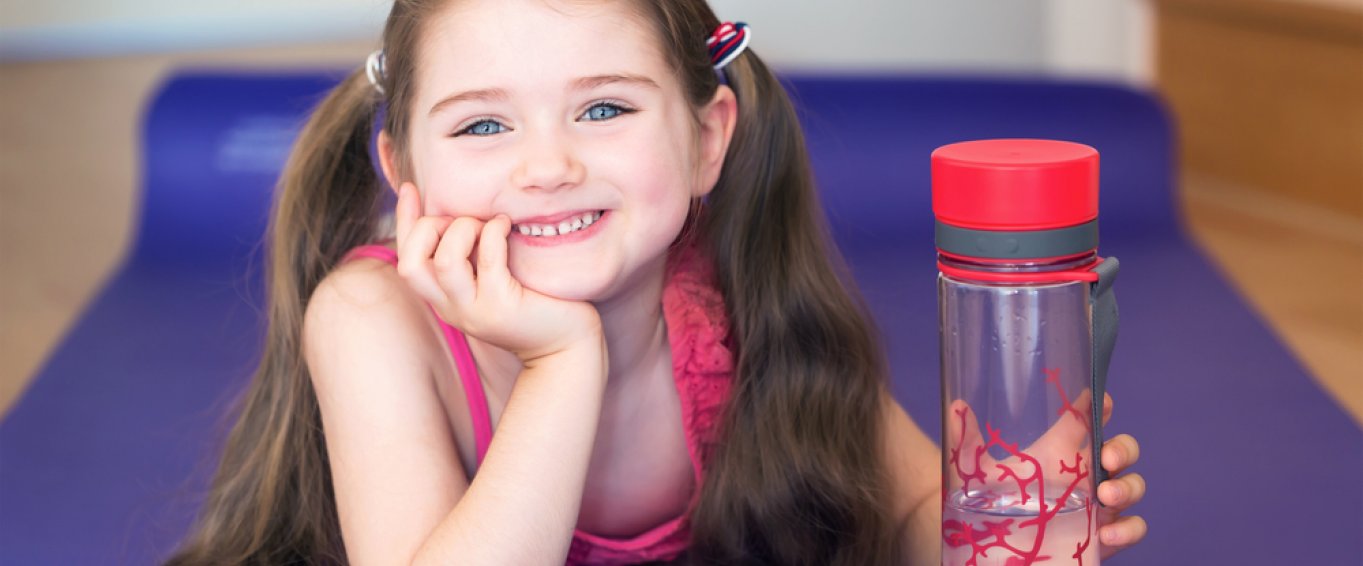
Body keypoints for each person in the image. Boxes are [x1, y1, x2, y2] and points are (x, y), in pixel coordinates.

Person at [166, 0, 1147, 564]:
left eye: (602, 109)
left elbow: (906, 514)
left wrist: (1016, 514)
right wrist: (559, 359)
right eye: (481, 125)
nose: (545, 165)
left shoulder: (734, 298)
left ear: (706, 139)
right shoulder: (375, 320)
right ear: (402, 170)